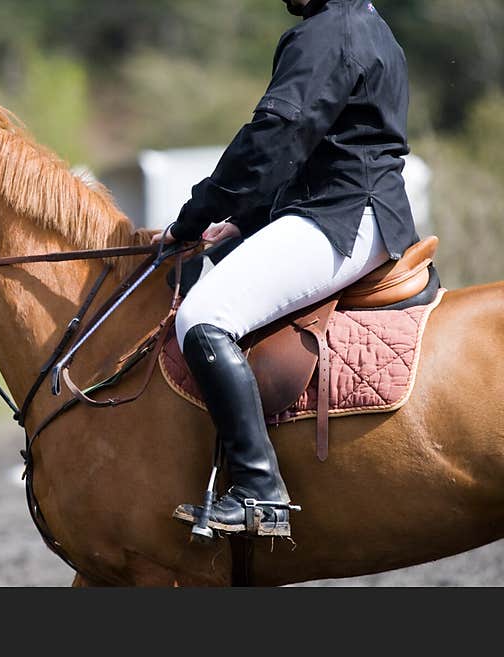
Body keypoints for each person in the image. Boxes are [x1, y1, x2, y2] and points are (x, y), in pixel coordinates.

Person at [151, 0, 420, 538]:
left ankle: (259, 491)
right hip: (349, 206)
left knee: (204, 316)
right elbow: (313, 145)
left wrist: (191, 220)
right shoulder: (367, 25)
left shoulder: (327, 32)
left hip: (342, 214)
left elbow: (273, 140)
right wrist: (245, 220)